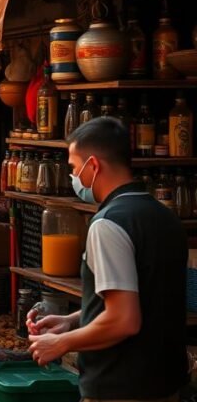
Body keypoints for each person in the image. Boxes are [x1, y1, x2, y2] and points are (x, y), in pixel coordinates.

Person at [27, 117, 187, 399]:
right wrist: (75, 320)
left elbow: (124, 319)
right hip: (167, 385)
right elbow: (145, 298)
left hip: (119, 388)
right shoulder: (165, 217)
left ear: (94, 165)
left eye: (74, 168)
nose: (73, 177)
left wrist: (61, 343)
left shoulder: (107, 224)